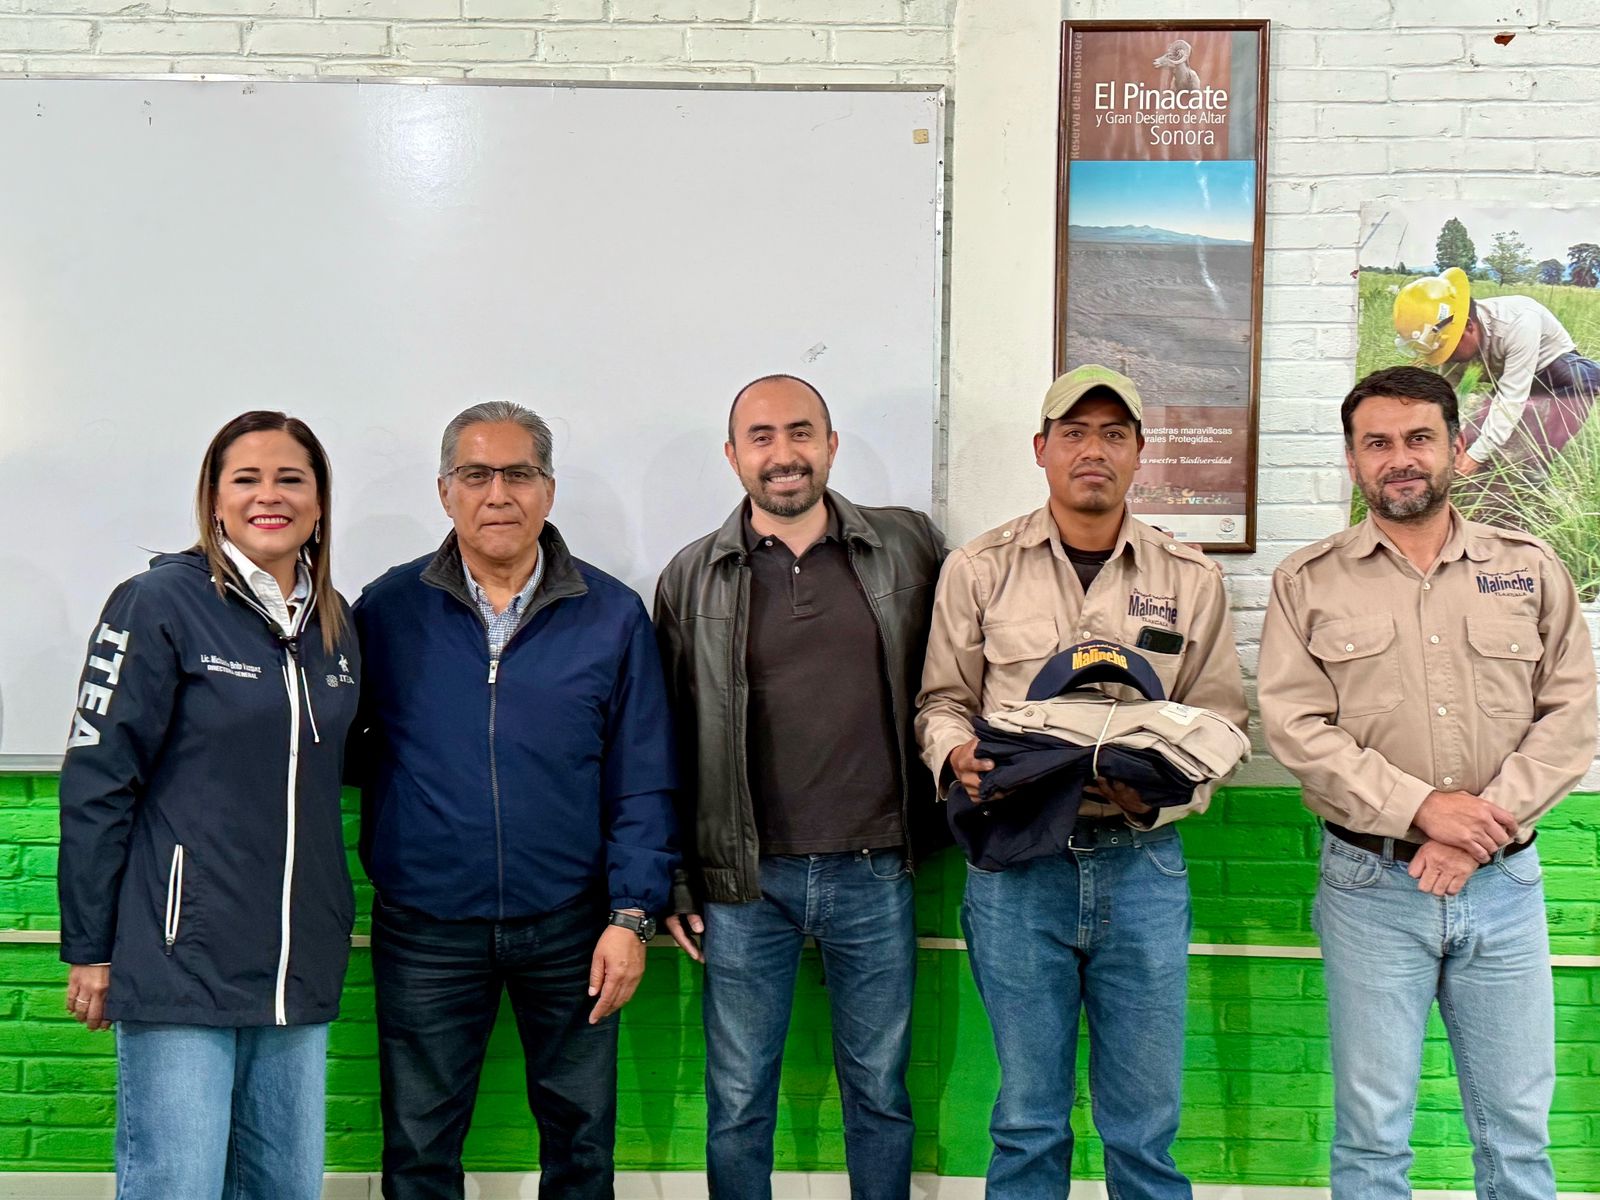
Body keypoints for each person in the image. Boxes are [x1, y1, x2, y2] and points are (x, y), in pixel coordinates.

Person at [1258, 364, 1596, 1200]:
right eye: (1377, 443)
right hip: (1370, 888)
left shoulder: (1529, 567)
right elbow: (1296, 727)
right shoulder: (1307, 582)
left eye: (1419, 438)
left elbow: (1573, 713)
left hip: (1504, 884)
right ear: (1352, 460)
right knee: (1372, 1136)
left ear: (1454, 447)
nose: (1399, 458)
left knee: (1517, 1137)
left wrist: (1479, 828)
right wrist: (1422, 809)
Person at [915, 364, 1248, 1199]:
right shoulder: (979, 568)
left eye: (1112, 434)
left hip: (1143, 869)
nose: (1092, 450)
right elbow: (941, 701)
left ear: (1139, 452)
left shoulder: (1190, 578)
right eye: (1074, 433)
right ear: (1042, 449)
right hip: (1017, 867)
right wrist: (955, 755)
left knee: (1145, 1128)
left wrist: (1167, 793)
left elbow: (1221, 722)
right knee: (1028, 1120)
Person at [353, 400, 678, 1200]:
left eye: (519, 474)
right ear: (445, 491)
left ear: (548, 490)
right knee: (419, 1147)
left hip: (572, 923)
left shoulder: (612, 614)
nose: (497, 494)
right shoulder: (387, 610)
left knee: (582, 1145)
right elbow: (342, 749)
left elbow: (642, 775)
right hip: (426, 926)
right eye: (475, 475)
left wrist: (631, 915)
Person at [653, 374, 945, 1200]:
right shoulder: (690, 577)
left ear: (831, 444)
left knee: (880, 1094)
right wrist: (677, 876)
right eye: (762, 437)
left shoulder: (908, 547)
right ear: (733, 456)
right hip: (746, 886)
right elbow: (662, 740)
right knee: (739, 1100)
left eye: (801, 432)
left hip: (876, 870)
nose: (784, 454)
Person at [57, 411, 360, 1200]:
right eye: (246, 479)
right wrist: (90, 946)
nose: (270, 496)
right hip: (180, 956)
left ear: (319, 500)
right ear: (214, 499)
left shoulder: (335, 624)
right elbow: (97, 782)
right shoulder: (157, 602)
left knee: (284, 1188)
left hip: (294, 966)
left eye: (291, 479)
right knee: (178, 1184)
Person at [1392, 268, 1598, 513]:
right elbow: (1445, 398)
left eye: (1448, 350)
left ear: (1468, 327)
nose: (1445, 358)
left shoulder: (1520, 321)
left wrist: (1475, 458)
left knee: (1540, 438)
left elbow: (1510, 399)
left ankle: (1533, 485)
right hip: (1512, 376)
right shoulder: (1454, 341)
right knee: (1473, 436)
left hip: (1556, 371)